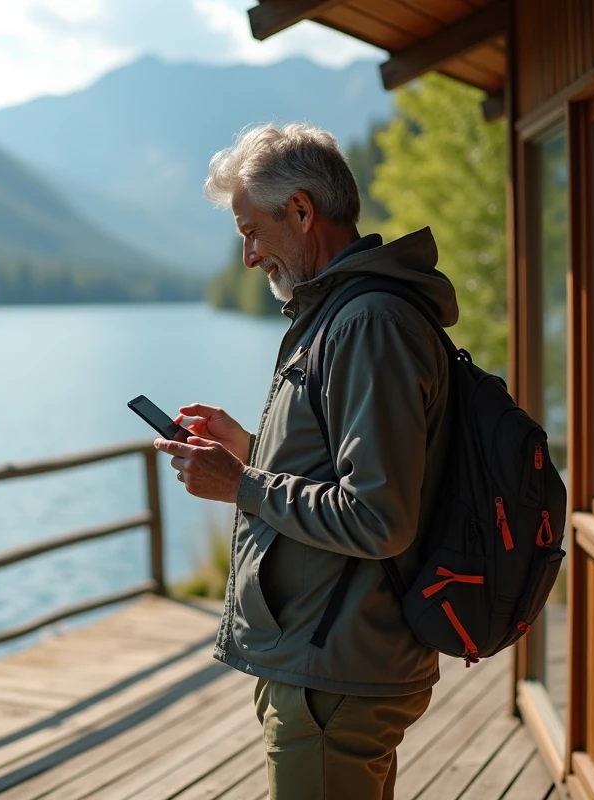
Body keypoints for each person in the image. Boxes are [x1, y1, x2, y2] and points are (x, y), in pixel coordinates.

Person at [153, 122, 457, 800]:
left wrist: (244, 485)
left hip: (334, 671)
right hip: (329, 661)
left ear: (300, 210)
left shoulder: (366, 323)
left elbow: (380, 517)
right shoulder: (341, 314)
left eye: (251, 232)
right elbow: (354, 474)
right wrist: (249, 451)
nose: (248, 258)